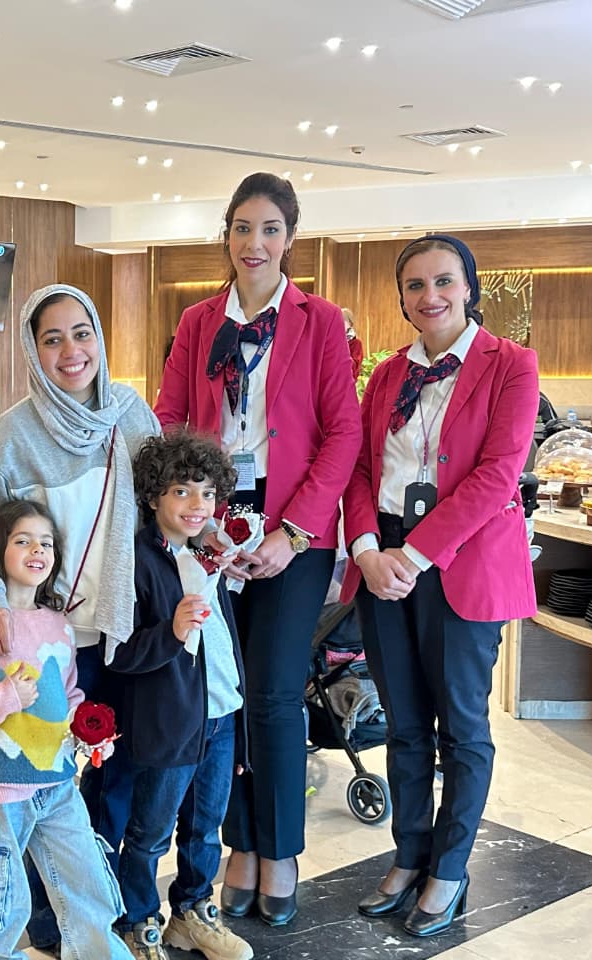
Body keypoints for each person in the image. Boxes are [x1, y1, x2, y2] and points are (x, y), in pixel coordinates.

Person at [154, 172, 361, 926]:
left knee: (273, 693)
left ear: (290, 239)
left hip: (293, 531)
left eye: (270, 229)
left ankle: (280, 851)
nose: (255, 243)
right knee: (224, 695)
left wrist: (292, 532)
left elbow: (343, 433)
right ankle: (238, 844)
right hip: (212, 525)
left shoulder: (322, 321)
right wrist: (199, 521)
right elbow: (170, 420)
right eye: (242, 228)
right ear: (227, 237)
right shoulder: (197, 321)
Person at [0, 283, 160, 953]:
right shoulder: (7, 439)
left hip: (125, 632)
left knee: (111, 775)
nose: (72, 350)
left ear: (100, 337)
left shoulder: (131, 415)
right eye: (52, 338)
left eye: (82, 332)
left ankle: (105, 918)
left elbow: (163, 507)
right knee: (38, 778)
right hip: (47, 643)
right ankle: (42, 921)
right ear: (33, 351)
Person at [341, 234, 538, 937]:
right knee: (401, 725)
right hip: (383, 564)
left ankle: (448, 870)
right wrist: (368, 549)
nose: (431, 296)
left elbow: (497, 474)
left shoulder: (510, 365)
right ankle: (408, 856)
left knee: (461, 728)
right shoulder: (387, 375)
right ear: (402, 298)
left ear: (469, 287)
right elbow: (360, 469)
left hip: (462, 565)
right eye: (416, 285)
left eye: (444, 281)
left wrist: (414, 555)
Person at [0, 499, 132, 960]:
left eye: (46, 543)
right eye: (23, 540)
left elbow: (66, 692)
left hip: (57, 783)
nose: (38, 550)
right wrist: (4, 697)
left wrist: (85, 728)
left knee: (86, 879)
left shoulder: (59, 624)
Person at [109, 432, 252, 960]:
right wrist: (169, 632)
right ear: (153, 497)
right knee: (149, 831)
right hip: (171, 722)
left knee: (205, 828)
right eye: (182, 491)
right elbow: (119, 653)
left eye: (208, 493)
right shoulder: (137, 560)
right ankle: (139, 921)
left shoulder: (207, 555)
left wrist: (239, 726)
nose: (198, 505)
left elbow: (223, 644)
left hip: (221, 714)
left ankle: (192, 912)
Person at [343, 307, 365, 380]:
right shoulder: (332, 340)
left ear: (350, 323)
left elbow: (355, 367)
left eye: (343, 321)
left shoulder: (356, 343)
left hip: (348, 382)